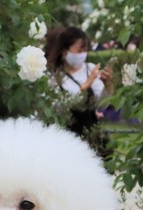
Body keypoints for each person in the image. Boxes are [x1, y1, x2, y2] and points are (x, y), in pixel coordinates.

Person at [46, 26, 115, 155]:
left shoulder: (90, 69)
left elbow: (101, 106)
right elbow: (56, 108)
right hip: (66, 139)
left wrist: (108, 86)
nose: (83, 54)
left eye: (85, 50)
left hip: (92, 138)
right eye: (79, 50)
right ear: (64, 51)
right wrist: (85, 86)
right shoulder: (53, 77)